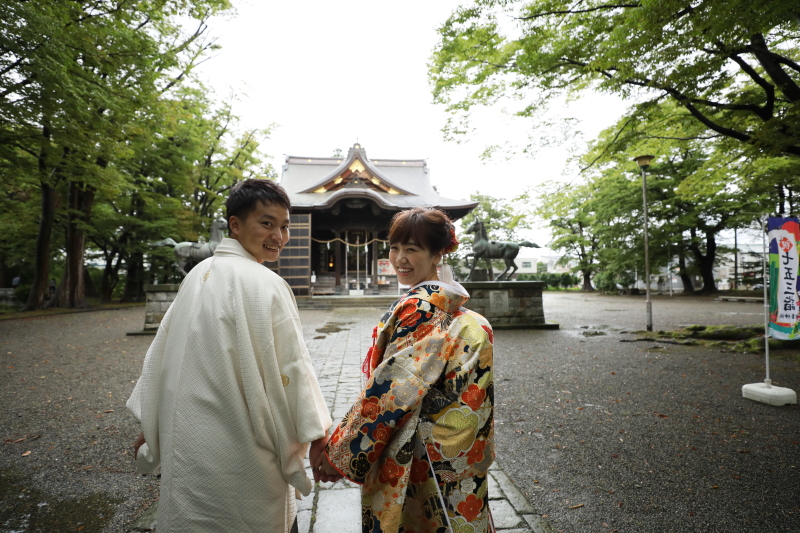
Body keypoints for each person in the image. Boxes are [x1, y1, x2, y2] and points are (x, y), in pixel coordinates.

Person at [127, 179, 335, 533]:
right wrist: (317, 436)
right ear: (235, 225)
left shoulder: (196, 274)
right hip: (243, 444)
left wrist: (153, 420)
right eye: (266, 223)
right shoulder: (268, 283)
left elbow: (162, 352)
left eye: (284, 226)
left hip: (191, 442)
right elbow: (293, 368)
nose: (279, 236)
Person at [316, 207, 496, 533]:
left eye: (412, 249)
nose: (399, 258)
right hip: (456, 453)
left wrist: (342, 452)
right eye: (394, 246)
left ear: (438, 253)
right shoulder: (453, 308)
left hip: (425, 461)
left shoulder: (423, 306)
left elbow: (392, 388)